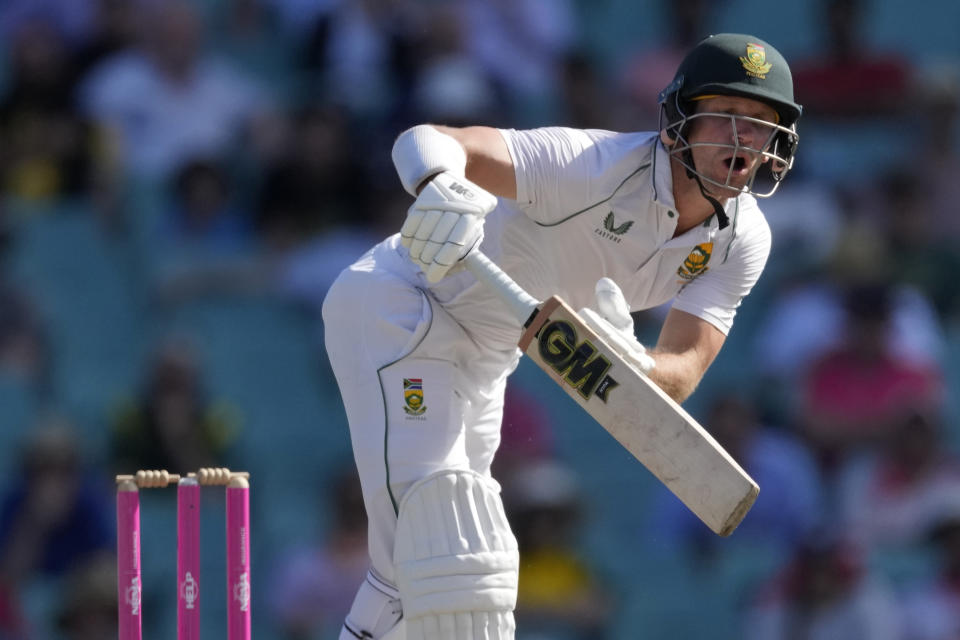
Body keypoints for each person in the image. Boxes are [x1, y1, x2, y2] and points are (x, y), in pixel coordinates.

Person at [322, 33, 802, 639]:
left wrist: (637, 366)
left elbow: (680, 372)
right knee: (430, 546)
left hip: (486, 360)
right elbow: (432, 139)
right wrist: (438, 182)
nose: (744, 138)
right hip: (401, 306)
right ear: (679, 120)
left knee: (474, 567)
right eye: (726, 116)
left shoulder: (743, 241)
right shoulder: (589, 167)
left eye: (761, 124)